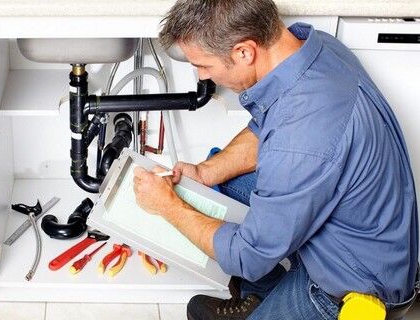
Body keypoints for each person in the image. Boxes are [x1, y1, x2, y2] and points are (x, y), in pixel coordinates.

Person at [133, 0, 419, 319]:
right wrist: (204, 172)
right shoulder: (317, 49)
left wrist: (167, 207)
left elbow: (247, 256)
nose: (201, 75)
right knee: (221, 185)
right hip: (358, 232)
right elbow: (266, 129)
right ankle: (260, 299)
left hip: (352, 285)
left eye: (203, 65)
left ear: (244, 52)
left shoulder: (300, 139)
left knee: (238, 240)